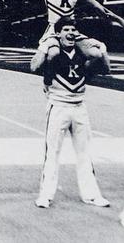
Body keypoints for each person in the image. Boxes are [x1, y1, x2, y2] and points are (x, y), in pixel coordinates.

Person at [30, 17, 111, 209]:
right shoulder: (53, 53)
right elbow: (33, 66)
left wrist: (103, 49)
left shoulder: (83, 53)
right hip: (58, 106)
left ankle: (91, 195)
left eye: (73, 30)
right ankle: (46, 195)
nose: (70, 33)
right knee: (53, 153)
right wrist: (44, 45)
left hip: (79, 107)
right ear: (58, 33)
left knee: (85, 153)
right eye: (66, 29)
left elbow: (106, 69)